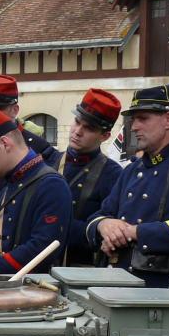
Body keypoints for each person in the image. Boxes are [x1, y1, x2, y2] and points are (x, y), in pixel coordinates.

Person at [85, 85, 169, 288]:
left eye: (143, 118)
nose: (134, 127)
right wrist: (105, 226)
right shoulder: (132, 170)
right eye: (133, 119)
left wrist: (134, 232)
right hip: (116, 285)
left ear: (168, 120)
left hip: (164, 292)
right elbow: (100, 215)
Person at [0, 108, 71, 275]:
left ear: (5, 143)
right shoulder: (12, 182)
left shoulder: (51, 185)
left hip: (32, 288)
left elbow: (44, 247)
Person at [56, 89, 124, 266]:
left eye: (88, 128)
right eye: (77, 122)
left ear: (105, 136)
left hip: (81, 270)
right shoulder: (50, 161)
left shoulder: (113, 175)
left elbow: (106, 232)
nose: (78, 131)